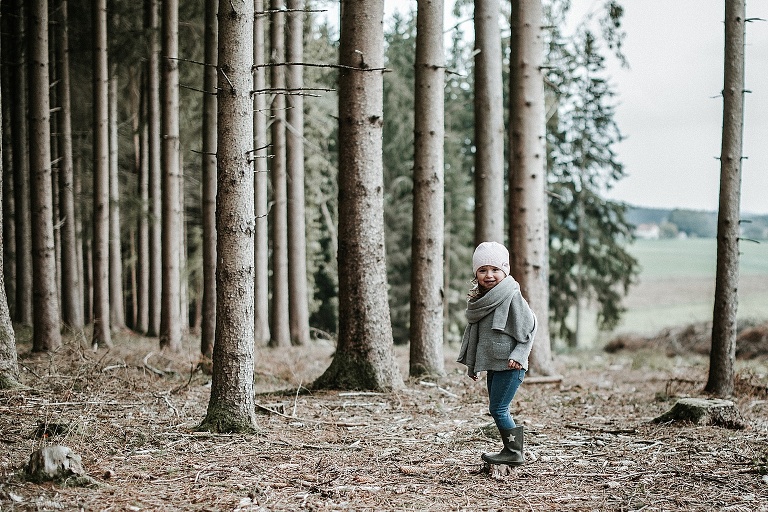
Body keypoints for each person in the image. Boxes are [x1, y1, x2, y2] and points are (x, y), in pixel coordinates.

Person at [457, 241, 537, 466]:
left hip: (511, 365)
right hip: (495, 363)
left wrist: (520, 355)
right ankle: (511, 450)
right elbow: (477, 336)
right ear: (476, 274)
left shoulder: (511, 295)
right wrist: (473, 365)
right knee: (497, 408)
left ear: (505, 271)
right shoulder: (481, 301)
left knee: (498, 408)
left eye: (495, 270)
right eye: (483, 270)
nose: (489, 275)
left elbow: (530, 327)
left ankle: (514, 452)